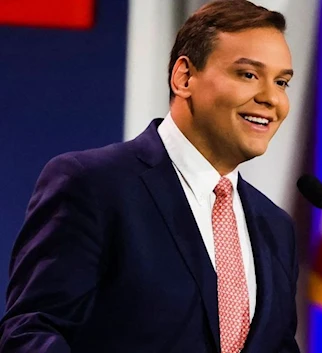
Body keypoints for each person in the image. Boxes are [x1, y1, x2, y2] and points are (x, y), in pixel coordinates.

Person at [0, 1, 299, 352]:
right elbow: (32, 332)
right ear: (184, 77)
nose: (271, 98)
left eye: (281, 82)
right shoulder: (94, 185)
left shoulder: (275, 227)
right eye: (248, 74)